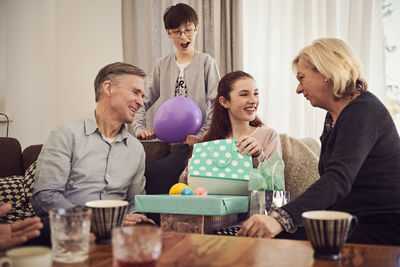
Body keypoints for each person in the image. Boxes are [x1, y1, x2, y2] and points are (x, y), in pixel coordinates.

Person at [238, 38, 400, 246]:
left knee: (273, 241)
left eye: (302, 77)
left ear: (326, 73)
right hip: (349, 223)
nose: (298, 88)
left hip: (382, 229)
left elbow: (338, 179)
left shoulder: (363, 111)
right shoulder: (334, 118)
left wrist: (280, 219)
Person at [31, 62, 153, 229]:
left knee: (149, 230)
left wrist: (135, 217)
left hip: (120, 229)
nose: (140, 102)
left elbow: (136, 202)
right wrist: (95, 220)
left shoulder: (136, 149)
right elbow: (44, 196)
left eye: (142, 96)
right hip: (73, 226)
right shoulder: (66, 134)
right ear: (109, 88)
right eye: (135, 92)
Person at [132, 3, 220, 200]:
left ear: (197, 28)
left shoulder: (207, 63)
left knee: (156, 173)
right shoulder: (162, 65)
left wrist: (201, 135)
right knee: (149, 174)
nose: (183, 37)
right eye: (177, 32)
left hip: (195, 147)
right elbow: (141, 100)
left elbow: (217, 104)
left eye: (188, 30)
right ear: (167, 33)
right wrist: (139, 128)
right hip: (167, 143)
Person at [180, 71, 281, 183]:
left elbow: (274, 182)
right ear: (224, 102)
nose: (253, 100)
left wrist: (258, 156)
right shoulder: (210, 137)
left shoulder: (269, 136)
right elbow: (184, 183)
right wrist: (195, 160)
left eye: (256, 94)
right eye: (244, 94)